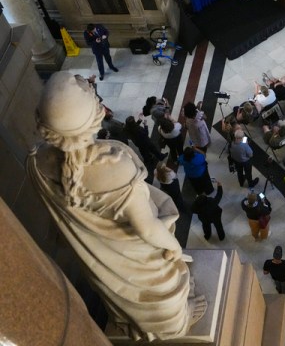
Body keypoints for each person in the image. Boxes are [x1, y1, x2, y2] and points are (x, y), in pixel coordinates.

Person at [28, 72, 200, 339]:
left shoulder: (37, 160)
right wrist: (174, 246)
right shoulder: (113, 165)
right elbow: (147, 229)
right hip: (133, 247)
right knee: (161, 287)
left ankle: (132, 317)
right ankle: (174, 323)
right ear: (92, 117)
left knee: (121, 289)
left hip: (103, 254)